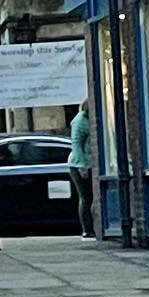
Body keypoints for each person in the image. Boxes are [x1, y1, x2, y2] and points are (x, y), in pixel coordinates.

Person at [68, 99, 94, 238]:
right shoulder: (79, 121)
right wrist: (82, 166)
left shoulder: (90, 118)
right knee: (86, 198)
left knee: (90, 197)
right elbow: (76, 144)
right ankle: (87, 229)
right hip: (79, 165)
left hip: (90, 163)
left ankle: (91, 228)